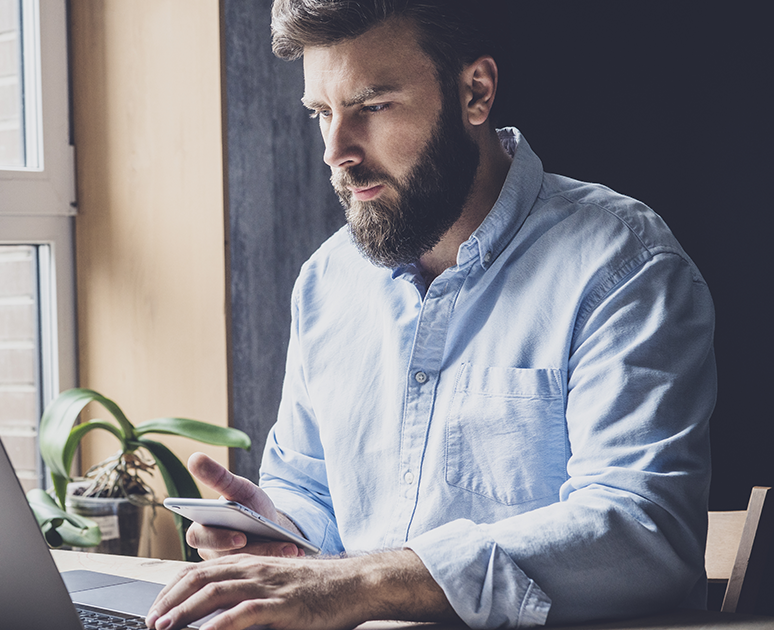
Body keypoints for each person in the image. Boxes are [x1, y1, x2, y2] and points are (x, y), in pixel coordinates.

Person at [145, 1, 715, 629]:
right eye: (322, 113)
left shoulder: (622, 264)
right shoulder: (327, 280)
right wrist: (279, 532)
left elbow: (642, 533)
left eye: (372, 106)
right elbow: (309, 489)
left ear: (475, 92)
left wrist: (360, 582)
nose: (337, 150)